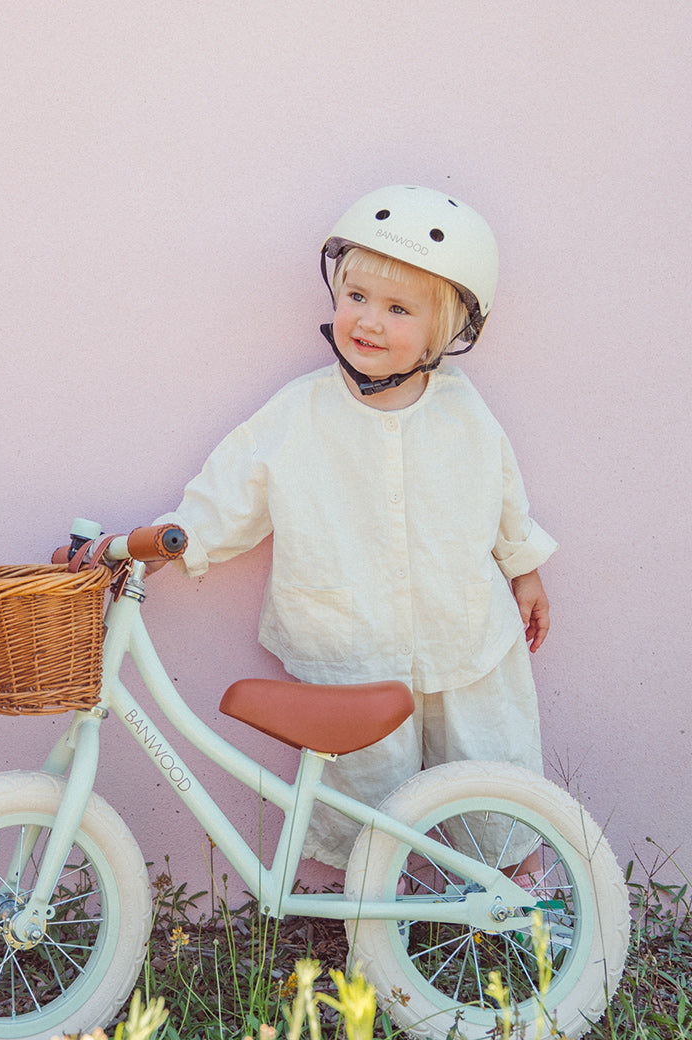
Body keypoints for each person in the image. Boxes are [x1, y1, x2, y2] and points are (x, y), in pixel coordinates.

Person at [154, 185, 556, 867]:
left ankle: (517, 908)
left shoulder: (462, 411)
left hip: (465, 634)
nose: (368, 320)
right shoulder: (297, 413)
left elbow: (502, 494)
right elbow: (227, 495)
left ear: (443, 330)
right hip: (353, 647)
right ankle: (372, 914)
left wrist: (526, 567)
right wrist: (163, 544)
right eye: (357, 297)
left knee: (492, 774)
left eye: (398, 308)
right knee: (365, 796)